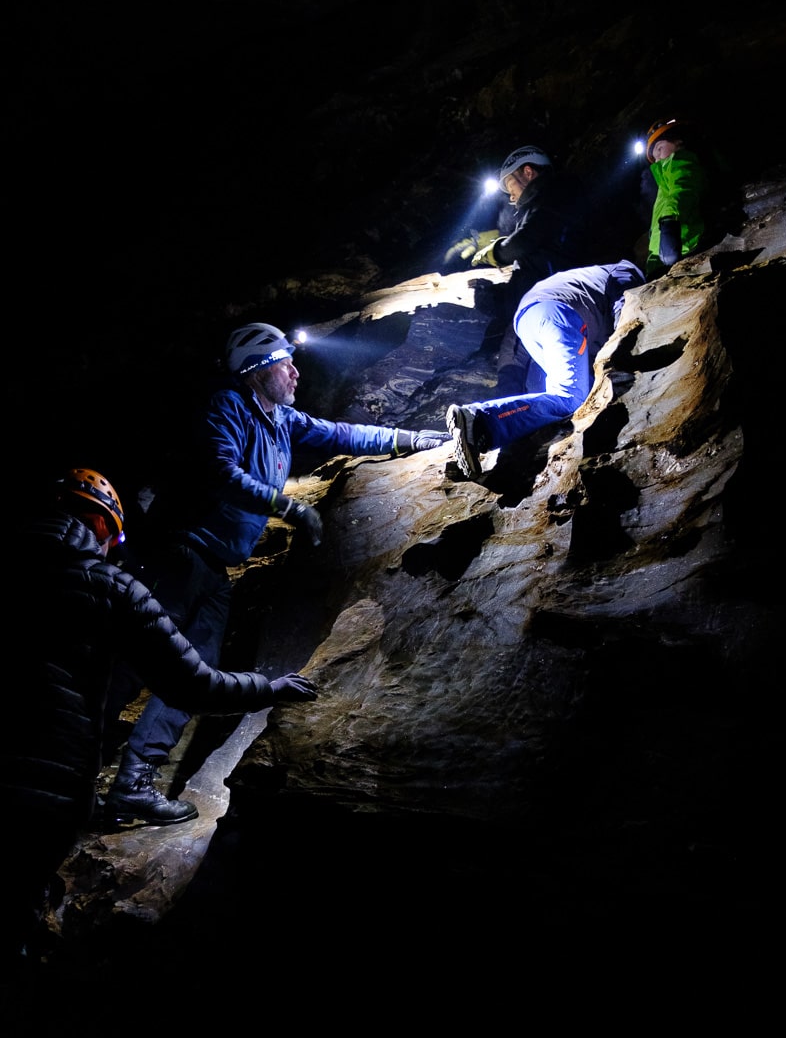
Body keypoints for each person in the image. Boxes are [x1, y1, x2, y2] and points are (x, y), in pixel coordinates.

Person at [104, 322, 450, 827]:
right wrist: (288, 507)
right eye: (284, 364)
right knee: (131, 664)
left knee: (191, 678)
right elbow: (220, 472)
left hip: (215, 568)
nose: (294, 371)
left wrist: (412, 439)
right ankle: (67, 760)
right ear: (256, 372)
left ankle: (132, 786)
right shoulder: (227, 406)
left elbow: (343, 434)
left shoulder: (281, 420)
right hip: (175, 556)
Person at [1, 467, 318, 968]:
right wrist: (269, 688)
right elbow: (192, 681)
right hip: (43, 794)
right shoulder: (109, 586)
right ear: (105, 529)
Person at [445, 259, 646, 479]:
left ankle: (499, 442)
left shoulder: (593, 278)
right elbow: (625, 311)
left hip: (530, 320)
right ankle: (481, 420)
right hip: (559, 313)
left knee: (560, 398)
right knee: (570, 396)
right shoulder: (629, 271)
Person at [462, 145, 592, 396]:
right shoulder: (565, 198)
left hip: (545, 303)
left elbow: (526, 247)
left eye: (511, 187)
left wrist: (495, 255)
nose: (511, 197)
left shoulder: (548, 199)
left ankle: (508, 421)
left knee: (514, 359)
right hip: (572, 299)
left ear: (528, 172)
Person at [641, 115, 725, 279]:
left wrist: (670, 224)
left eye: (659, 149)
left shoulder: (682, 162)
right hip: (663, 260)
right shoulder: (664, 180)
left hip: (683, 252)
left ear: (678, 142)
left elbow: (684, 190)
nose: (656, 159)